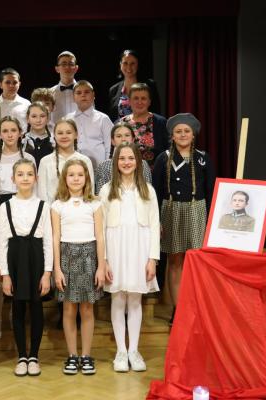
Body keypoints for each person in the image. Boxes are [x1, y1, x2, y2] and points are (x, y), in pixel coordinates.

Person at [99, 142, 160, 373]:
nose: (126, 162)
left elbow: (154, 225)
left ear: (138, 162)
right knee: (118, 299)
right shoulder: (106, 190)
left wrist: (152, 258)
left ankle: (134, 350)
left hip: (139, 249)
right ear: (115, 162)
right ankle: (121, 352)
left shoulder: (148, 190)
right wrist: (104, 260)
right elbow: (101, 229)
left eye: (131, 158)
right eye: (122, 158)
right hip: (115, 248)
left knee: (135, 299)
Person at [152, 113, 215, 325]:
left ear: (193, 134)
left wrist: (211, 220)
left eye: (186, 131)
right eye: (178, 131)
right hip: (171, 210)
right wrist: (157, 220)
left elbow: (211, 190)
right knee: (175, 260)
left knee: (196, 261)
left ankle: (196, 307)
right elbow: (155, 191)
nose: (182, 134)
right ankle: (178, 309)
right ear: (172, 135)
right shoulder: (163, 158)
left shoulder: (203, 158)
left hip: (197, 210)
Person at [52, 159, 106, 375]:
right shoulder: (57, 205)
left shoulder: (95, 204)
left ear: (87, 178)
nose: (76, 179)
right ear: (65, 179)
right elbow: (55, 238)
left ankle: (86, 355)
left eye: (80, 175)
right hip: (67, 256)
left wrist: (101, 266)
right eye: (71, 175)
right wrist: (57, 268)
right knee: (69, 308)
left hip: (89, 256)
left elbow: (100, 236)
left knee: (87, 308)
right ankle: (72, 355)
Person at [0, 158, 53, 377]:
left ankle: (34, 356)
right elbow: (2, 242)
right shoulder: (5, 206)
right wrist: (5, 275)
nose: (25, 178)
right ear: (13, 179)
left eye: (29, 174)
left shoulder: (44, 206)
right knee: (18, 306)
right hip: (15, 258)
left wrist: (47, 273)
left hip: (36, 257)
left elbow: (48, 241)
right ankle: (22, 355)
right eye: (20, 174)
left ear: (36, 178)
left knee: (36, 306)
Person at [0, 116, 35, 339]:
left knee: (18, 262)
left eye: (13, 130)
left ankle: (17, 312)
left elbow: (34, 188)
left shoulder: (28, 158)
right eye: (5, 131)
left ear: (20, 132)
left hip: (21, 206)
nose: (10, 134)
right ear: (0, 134)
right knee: (0, 260)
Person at [37, 119, 94, 204]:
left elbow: (90, 191)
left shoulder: (85, 161)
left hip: (80, 209)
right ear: (54, 136)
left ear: (76, 135)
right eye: (60, 133)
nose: (64, 136)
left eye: (68, 132)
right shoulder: (45, 161)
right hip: (51, 209)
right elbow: (41, 193)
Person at [67, 80, 113, 169]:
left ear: (93, 95)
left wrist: (106, 168)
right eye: (79, 93)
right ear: (73, 97)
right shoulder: (67, 119)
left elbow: (110, 146)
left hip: (99, 169)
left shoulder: (103, 119)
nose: (83, 95)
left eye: (87, 92)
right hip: (73, 168)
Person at [121, 83, 169, 168]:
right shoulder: (121, 123)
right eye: (136, 98)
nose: (139, 102)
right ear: (129, 101)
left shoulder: (160, 122)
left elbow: (168, 151)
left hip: (155, 174)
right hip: (127, 172)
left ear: (149, 102)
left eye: (143, 98)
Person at [95, 122, 152, 193]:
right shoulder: (104, 167)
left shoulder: (142, 164)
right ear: (113, 141)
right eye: (119, 136)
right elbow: (100, 195)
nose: (123, 139)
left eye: (127, 135)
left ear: (133, 139)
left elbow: (147, 192)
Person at [108, 49, 161, 122]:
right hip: (121, 129)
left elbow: (157, 112)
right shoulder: (113, 90)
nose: (129, 67)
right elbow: (112, 117)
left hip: (146, 128)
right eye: (125, 63)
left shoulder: (150, 85)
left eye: (132, 63)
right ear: (120, 64)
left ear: (137, 65)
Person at [50, 51, 79, 123]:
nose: (67, 67)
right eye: (64, 64)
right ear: (57, 69)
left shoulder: (85, 92)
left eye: (71, 64)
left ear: (76, 68)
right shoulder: (50, 93)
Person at [22, 101, 53, 168]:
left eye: (42, 116)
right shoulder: (22, 141)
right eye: (34, 116)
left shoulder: (54, 140)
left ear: (48, 118)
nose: (38, 120)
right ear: (27, 118)